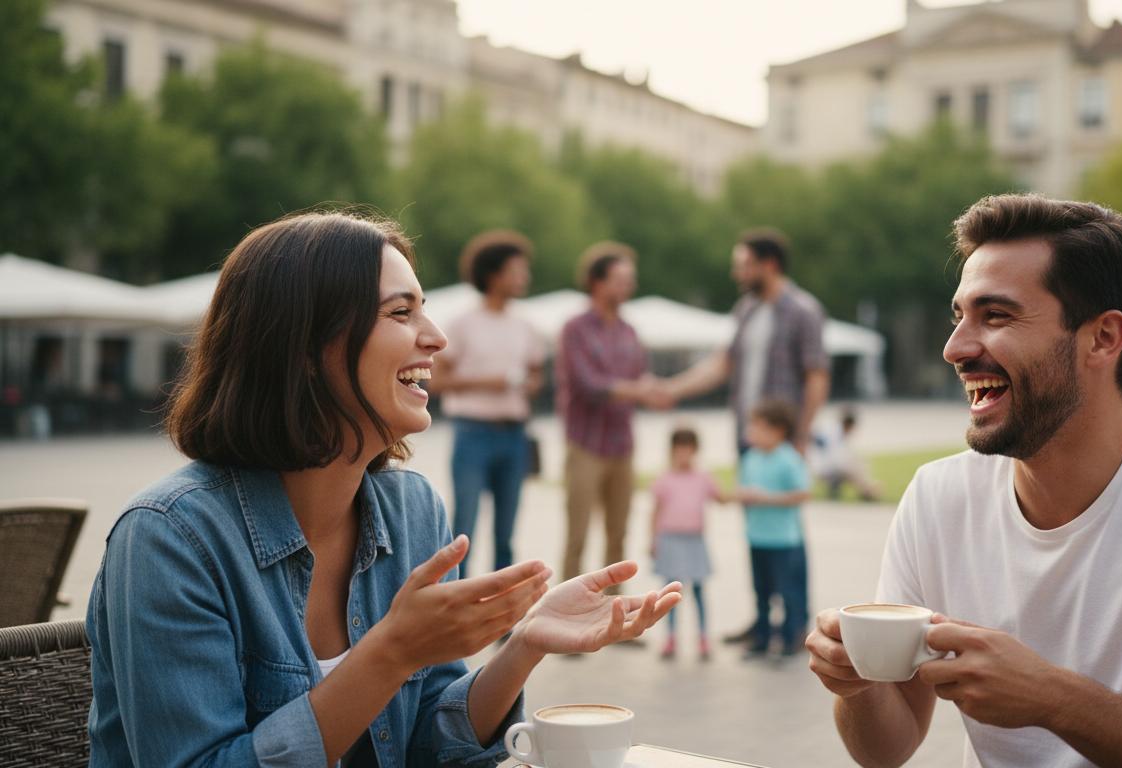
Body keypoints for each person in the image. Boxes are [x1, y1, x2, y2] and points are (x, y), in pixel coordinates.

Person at [87, 211, 680, 767]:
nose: (437, 338)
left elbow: (429, 740)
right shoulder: (169, 539)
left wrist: (523, 644)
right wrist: (391, 652)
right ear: (305, 347)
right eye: (401, 313)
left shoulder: (412, 510)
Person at [806, 194, 1122, 767]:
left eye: (996, 315)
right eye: (960, 316)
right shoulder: (938, 497)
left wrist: (1055, 700)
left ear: (1103, 338)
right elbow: (885, 750)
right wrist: (856, 684)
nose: (955, 348)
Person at [663, 227, 830, 644]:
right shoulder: (746, 310)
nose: (737, 273)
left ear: (768, 264)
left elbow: (816, 376)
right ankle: (762, 620)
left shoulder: (803, 311)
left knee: (787, 532)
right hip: (749, 438)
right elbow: (722, 365)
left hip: (784, 440)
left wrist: (801, 437)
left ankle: (794, 623)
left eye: (744, 265)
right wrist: (671, 389)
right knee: (757, 528)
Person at [429, 229, 544, 575]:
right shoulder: (462, 324)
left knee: (506, 532)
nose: (524, 277)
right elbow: (436, 381)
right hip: (472, 431)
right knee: (464, 526)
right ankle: (456, 598)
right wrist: (489, 382)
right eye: (517, 270)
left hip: (514, 433)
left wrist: (528, 384)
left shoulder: (525, 325)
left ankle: (502, 603)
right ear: (493, 275)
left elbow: (536, 375)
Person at [555, 241, 670, 584]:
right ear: (597, 281)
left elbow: (639, 379)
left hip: (622, 445)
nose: (628, 287)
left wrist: (654, 392)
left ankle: (613, 607)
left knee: (618, 535)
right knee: (577, 536)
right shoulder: (575, 328)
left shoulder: (629, 331)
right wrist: (640, 390)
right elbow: (588, 385)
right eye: (620, 280)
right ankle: (567, 609)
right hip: (585, 444)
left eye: (630, 280)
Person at [738, 399, 812, 659]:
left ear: (778, 430)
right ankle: (762, 638)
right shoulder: (750, 458)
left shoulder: (789, 459)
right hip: (757, 537)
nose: (752, 432)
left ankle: (792, 639)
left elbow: (802, 494)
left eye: (758, 427)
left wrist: (767, 498)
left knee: (788, 592)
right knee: (761, 592)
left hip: (784, 540)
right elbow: (743, 489)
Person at [649, 426, 729, 661]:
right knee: (669, 593)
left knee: (699, 590)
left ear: (695, 450)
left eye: (688, 449)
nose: (683, 454)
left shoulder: (703, 478)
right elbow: (655, 511)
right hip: (670, 539)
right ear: (672, 451)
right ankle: (670, 637)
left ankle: (703, 637)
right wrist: (653, 540)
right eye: (679, 449)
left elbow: (721, 498)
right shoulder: (664, 479)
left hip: (694, 540)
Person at [810, 407, 882, 502]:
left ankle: (867, 489)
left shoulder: (833, 430)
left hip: (825, 467)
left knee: (857, 462)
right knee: (852, 466)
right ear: (848, 425)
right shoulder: (834, 433)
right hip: (824, 469)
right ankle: (867, 490)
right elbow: (836, 459)